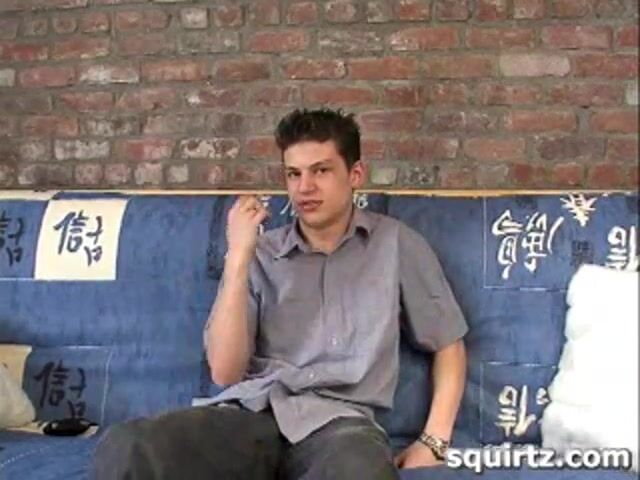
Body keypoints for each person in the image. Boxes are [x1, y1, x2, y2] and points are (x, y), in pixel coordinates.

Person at [93, 108, 468, 480]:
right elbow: (225, 371)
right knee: (130, 444)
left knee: (360, 472)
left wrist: (433, 442)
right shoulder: (261, 252)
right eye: (294, 174)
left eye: (321, 171)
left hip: (342, 427)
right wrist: (238, 257)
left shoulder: (396, 244)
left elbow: (448, 344)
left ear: (355, 174)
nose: (304, 188)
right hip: (253, 413)